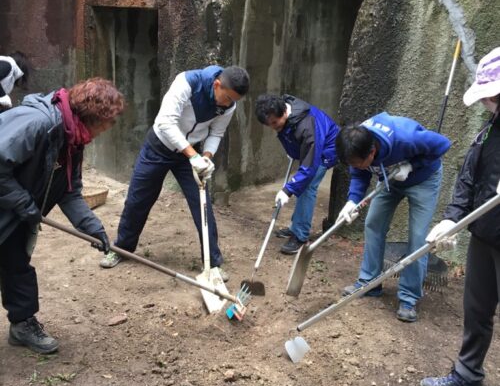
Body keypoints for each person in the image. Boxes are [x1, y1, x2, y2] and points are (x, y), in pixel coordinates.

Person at [0, 78, 125, 354]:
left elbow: (69, 190)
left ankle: (22, 324)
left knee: (16, 263)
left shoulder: (71, 139)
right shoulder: (38, 124)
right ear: (93, 116)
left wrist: (92, 228)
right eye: (108, 122)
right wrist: (24, 203)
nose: (108, 129)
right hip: (10, 200)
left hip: (14, 209)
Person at [101, 65, 250, 280]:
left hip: (189, 155)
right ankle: (122, 248)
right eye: (227, 98)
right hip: (158, 147)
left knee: (203, 206)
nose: (228, 104)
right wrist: (194, 156)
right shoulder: (187, 83)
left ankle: (213, 264)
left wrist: (206, 158)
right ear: (217, 85)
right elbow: (165, 123)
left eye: (233, 101)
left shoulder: (229, 105)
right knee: (138, 199)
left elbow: (216, 132)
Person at [420, 47, 500, 386]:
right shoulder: (492, 125)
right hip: (486, 235)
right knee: (477, 311)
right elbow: (470, 175)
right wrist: (451, 220)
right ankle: (468, 379)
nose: (488, 100)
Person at [335, 112, 451, 322]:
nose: (358, 167)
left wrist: (411, 166)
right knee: (373, 223)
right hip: (389, 179)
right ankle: (369, 283)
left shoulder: (404, 137)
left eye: (360, 162)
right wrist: (352, 201)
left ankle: (408, 297)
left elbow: (443, 144)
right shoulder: (356, 143)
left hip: (424, 180)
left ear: (372, 151)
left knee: (419, 238)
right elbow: (360, 172)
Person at [254, 94, 339, 254]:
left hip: (327, 150)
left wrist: (288, 190)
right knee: (302, 184)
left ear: (284, 113)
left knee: (307, 187)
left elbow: (310, 164)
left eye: (274, 123)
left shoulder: (307, 125)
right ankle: (296, 227)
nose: (273, 126)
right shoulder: (285, 115)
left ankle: (300, 236)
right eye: (269, 124)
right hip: (311, 148)